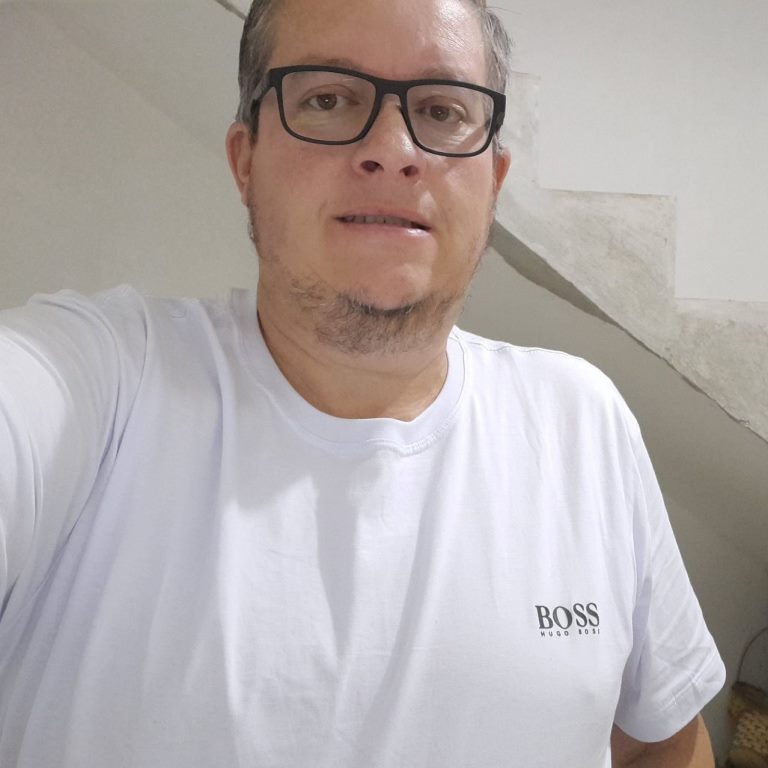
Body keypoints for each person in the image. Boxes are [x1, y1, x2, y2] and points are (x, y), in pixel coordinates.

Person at [0, 0, 725, 765]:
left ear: (494, 180)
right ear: (246, 161)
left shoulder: (583, 423)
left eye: (442, 110)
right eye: (328, 98)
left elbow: (663, 745)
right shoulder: (98, 388)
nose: (392, 149)